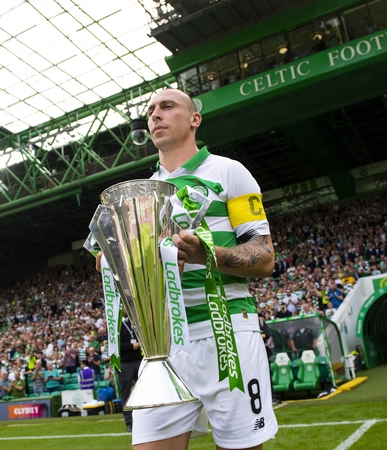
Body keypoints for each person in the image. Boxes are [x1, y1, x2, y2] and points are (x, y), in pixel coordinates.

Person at [100, 88, 278, 449]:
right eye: (150, 111)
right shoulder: (139, 194)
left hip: (228, 337)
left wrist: (206, 254)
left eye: (167, 106)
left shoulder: (229, 172)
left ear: (195, 119)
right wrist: (117, 263)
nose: (155, 115)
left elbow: (264, 256)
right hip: (163, 346)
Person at [117, 309, 143, 432]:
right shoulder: (116, 326)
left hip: (138, 360)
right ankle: (129, 422)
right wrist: (131, 346)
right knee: (126, 394)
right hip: (125, 364)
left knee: (143, 391)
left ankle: (145, 419)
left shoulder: (134, 322)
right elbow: (115, 346)